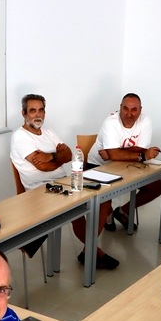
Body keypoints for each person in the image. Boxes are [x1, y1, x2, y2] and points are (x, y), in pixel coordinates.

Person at [11, 94, 118, 269]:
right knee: (77, 208)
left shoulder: (49, 132)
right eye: (32, 111)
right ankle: (94, 252)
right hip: (41, 190)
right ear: (24, 113)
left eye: (41, 110)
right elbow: (43, 167)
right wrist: (58, 159)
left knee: (104, 200)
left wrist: (52, 156)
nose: (37, 115)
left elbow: (68, 155)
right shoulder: (20, 136)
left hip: (65, 182)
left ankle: (88, 250)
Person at [87, 93, 161, 232]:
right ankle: (108, 213)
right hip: (98, 165)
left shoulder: (145, 120)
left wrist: (115, 152)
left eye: (134, 109)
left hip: (124, 164)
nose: (129, 113)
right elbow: (135, 153)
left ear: (140, 110)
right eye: (125, 108)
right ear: (120, 107)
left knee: (157, 186)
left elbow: (138, 149)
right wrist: (141, 155)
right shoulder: (111, 122)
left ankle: (122, 211)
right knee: (104, 196)